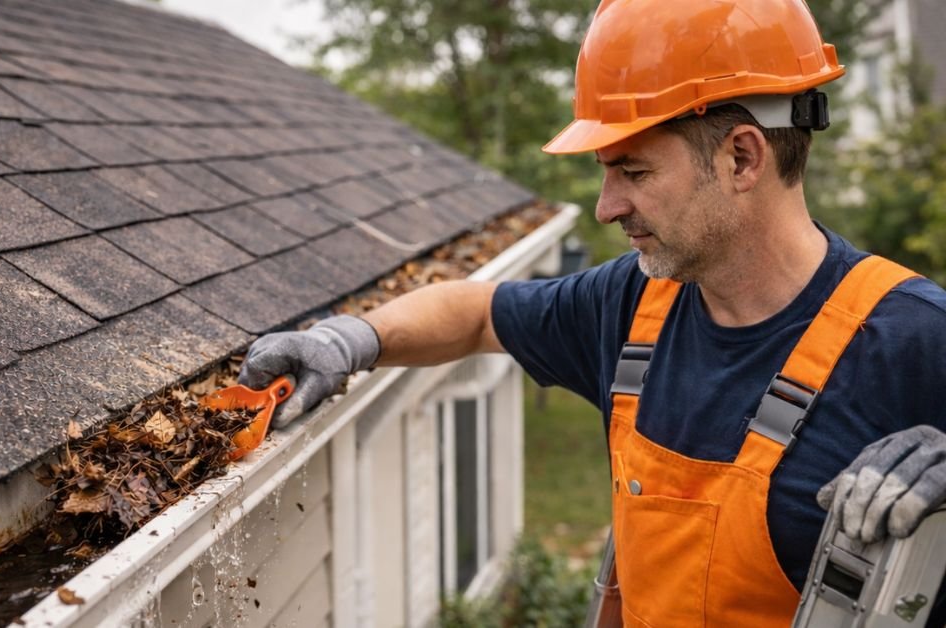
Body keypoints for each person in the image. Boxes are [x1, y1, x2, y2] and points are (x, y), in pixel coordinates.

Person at [238, 0, 946, 625]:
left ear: (741, 158)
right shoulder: (633, 307)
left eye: (634, 172)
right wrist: (351, 337)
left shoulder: (912, 337)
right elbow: (477, 312)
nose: (607, 208)